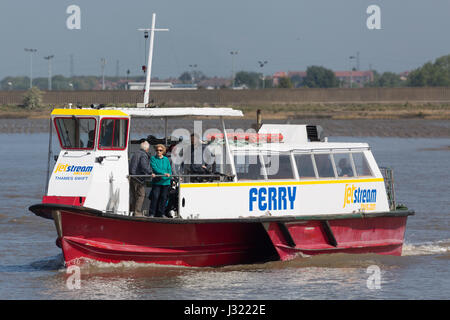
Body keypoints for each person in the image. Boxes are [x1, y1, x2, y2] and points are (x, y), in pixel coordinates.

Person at [129, 140, 152, 216]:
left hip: (132, 177)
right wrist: (150, 172)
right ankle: (137, 212)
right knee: (141, 195)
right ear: (147, 149)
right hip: (138, 178)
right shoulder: (143, 155)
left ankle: (132, 211)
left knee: (135, 196)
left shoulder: (135, 153)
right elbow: (144, 166)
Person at [149, 144, 173, 218]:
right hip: (157, 182)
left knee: (164, 198)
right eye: (157, 150)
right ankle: (152, 213)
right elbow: (155, 168)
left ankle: (161, 213)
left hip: (166, 182)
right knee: (155, 198)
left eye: (160, 150)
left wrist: (169, 175)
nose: (158, 151)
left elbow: (169, 169)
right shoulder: (153, 158)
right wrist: (164, 173)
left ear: (163, 151)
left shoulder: (166, 159)